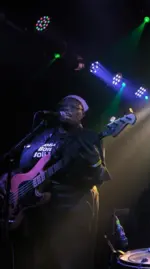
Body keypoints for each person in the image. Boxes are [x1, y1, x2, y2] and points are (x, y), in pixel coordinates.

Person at [0, 95, 111, 269]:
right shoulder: (44, 133)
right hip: (38, 208)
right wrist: (12, 177)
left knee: (70, 260)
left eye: (74, 107)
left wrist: (95, 162)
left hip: (72, 203)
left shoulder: (89, 137)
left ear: (82, 114)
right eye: (63, 105)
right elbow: (25, 165)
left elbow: (101, 176)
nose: (67, 109)